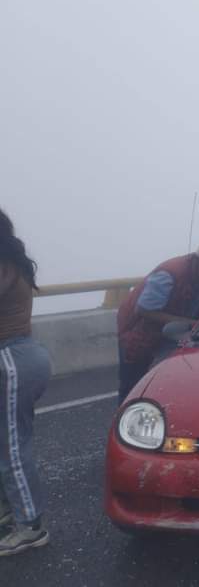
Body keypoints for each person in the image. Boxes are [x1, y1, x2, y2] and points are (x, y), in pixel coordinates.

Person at [116, 241, 199, 400]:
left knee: (171, 382)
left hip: (175, 332)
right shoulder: (169, 274)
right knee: (132, 383)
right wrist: (189, 322)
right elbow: (145, 309)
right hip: (139, 331)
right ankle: (126, 416)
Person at [0, 208, 51, 556]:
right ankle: (9, 509)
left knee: (12, 448)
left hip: (11, 358)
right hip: (20, 355)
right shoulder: (12, 261)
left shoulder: (4, 265)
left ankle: (31, 526)